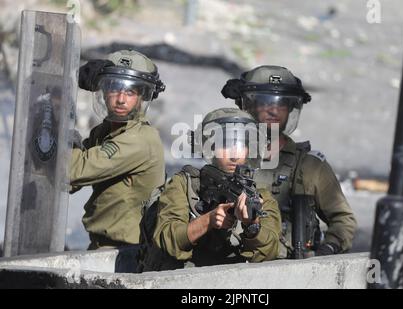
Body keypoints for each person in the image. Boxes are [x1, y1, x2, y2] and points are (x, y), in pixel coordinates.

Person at [221, 65, 357, 258]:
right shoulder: (228, 156)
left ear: (292, 109)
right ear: (248, 105)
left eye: (282, 104)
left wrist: (327, 251)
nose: (273, 110)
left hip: (292, 269)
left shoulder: (309, 166)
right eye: (264, 102)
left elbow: (344, 220)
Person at [138, 108, 281, 271]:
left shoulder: (260, 196)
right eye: (226, 144)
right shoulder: (184, 184)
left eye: (241, 145)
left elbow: (270, 254)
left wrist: (252, 226)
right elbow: (167, 241)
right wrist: (208, 220)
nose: (234, 155)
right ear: (210, 148)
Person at [70, 50, 166, 250]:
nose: (121, 99)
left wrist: (61, 131)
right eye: (114, 89)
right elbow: (69, 183)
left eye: (130, 92)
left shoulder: (139, 139)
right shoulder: (104, 131)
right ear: (104, 92)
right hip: (102, 245)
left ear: (141, 97)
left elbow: (71, 171)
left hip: (126, 252)